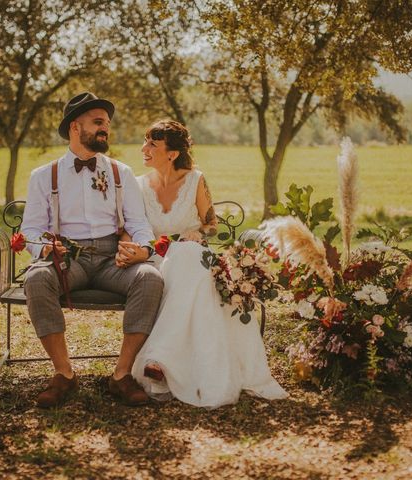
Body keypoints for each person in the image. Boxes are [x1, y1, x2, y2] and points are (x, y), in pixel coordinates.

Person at [117, 120, 288, 408]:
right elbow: (132, 227)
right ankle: (166, 357)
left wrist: (198, 232)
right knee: (181, 263)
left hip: (193, 256)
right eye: (145, 142)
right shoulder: (138, 184)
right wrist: (129, 249)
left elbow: (212, 224)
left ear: (171, 154)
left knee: (187, 255)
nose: (143, 149)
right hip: (156, 259)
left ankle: (160, 357)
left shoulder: (196, 180)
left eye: (152, 144)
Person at [21, 92, 164, 408]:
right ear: (75, 126)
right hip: (68, 260)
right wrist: (43, 247)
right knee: (36, 279)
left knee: (150, 278)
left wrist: (142, 249)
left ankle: (121, 375)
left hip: (113, 260)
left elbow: (139, 224)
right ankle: (64, 373)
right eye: (98, 122)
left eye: (107, 124)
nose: (105, 129)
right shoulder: (44, 176)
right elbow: (29, 229)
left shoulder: (120, 173)